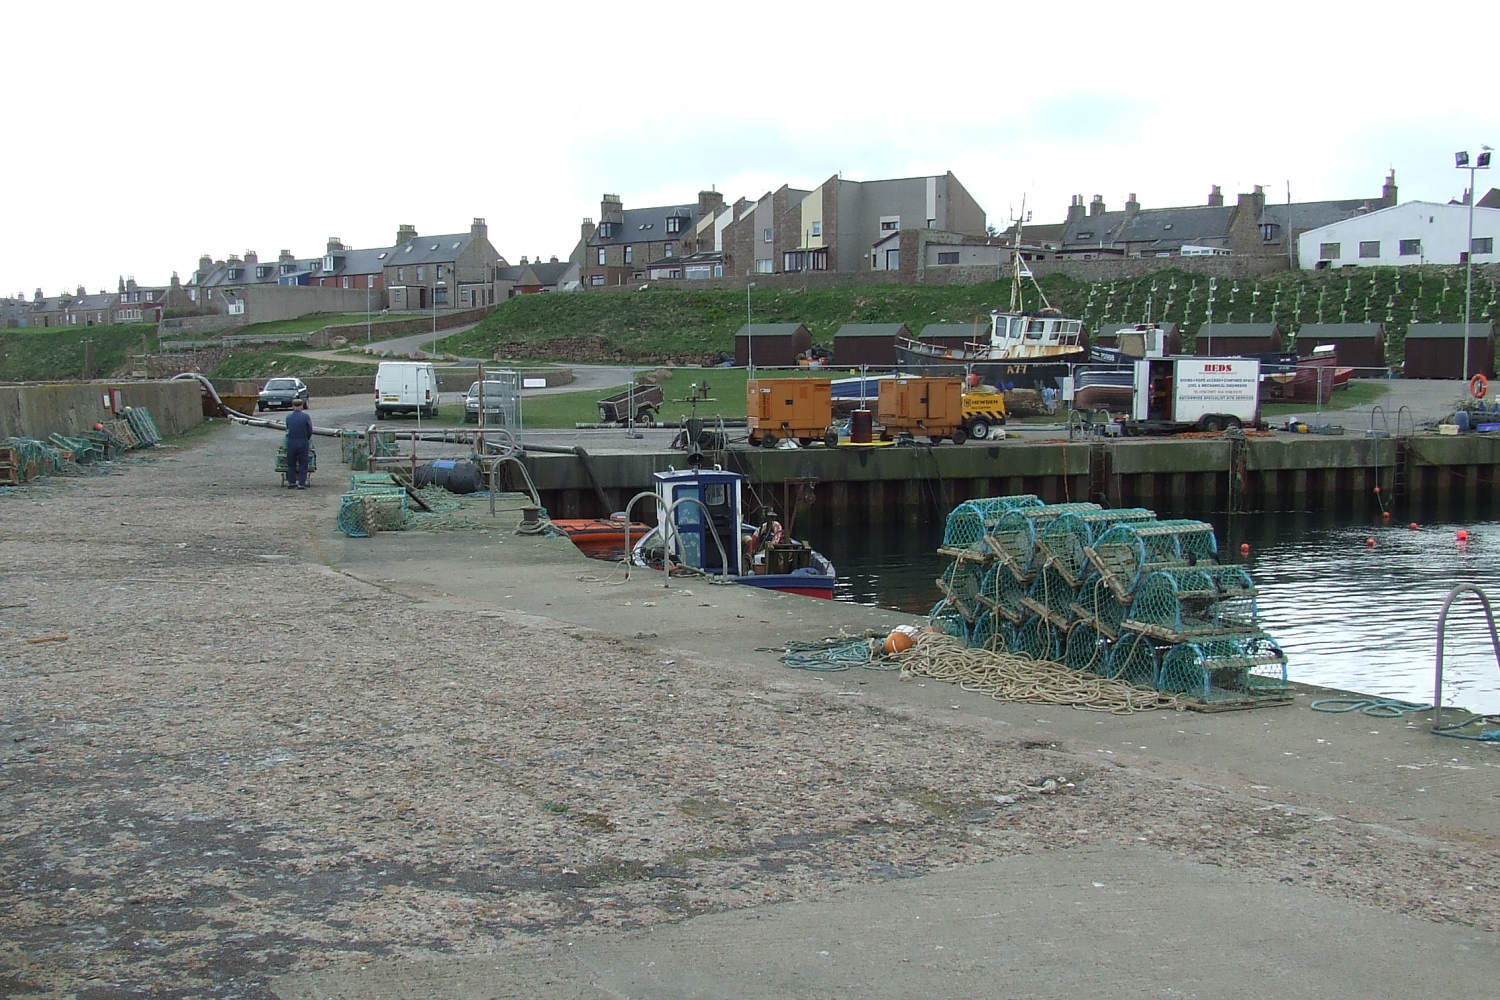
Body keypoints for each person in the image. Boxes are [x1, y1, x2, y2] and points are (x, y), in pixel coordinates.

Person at [284, 397, 312, 490]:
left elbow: (288, 429)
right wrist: (306, 438)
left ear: (292, 406)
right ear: (301, 406)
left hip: (291, 442)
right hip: (303, 441)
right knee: (303, 464)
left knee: (291, 463)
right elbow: (309, 430)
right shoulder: (306, 417)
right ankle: (301, 483)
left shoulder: (288, 417)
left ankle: (291, 482)